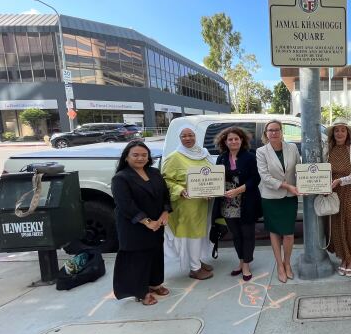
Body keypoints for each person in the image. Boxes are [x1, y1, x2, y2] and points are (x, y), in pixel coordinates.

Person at [111, 140, 171, 306]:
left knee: (156, 254)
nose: (140, 158)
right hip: (134, 226)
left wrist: (166, 212)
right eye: (135, 155)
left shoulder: (154, 172)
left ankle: (154, 283)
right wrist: (146, 221)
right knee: (138, 260)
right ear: (126, 158)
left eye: (144, 155)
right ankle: (141, 292)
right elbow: (125, 204)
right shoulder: (121, 178)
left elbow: (165, 195)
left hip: (157, 224)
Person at [162, 126, 215, 280]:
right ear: (180, 138)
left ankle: (197, 260)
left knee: (201, 233)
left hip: (205, 202)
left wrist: (212, 189)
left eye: (190, 135)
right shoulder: (174, 157)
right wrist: (180, 190)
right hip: (187, 203)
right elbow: (166, 180)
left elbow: (212, 175)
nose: (188, 138)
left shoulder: (203, 154)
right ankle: (194, 268)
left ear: (195, 136)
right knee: (192, 234)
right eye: (184, 136)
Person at [212, 127, 261, 281]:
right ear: (225, 142)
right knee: (236, 235)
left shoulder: (250, 157)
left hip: (246, 202)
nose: (233, 141)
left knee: (247, 235)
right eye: (230, 139)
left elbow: (256, 179)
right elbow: (215, 180)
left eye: (236, 139)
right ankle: (240, 262)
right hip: (227, 204)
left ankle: (246, 265)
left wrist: (238, 190)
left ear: (242, 140)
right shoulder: (221, 158)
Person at [256, 120, 301, 283]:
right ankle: (279, 266)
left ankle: (287, 263)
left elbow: (299, 169)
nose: (274, 133)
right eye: (270, 130)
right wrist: (287, 186)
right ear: (266, 134)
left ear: (282, 132)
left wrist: (306, 183)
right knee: (274, 233)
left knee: (288, 234)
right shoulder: (261, 152)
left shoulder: (293, 148)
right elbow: (265, 177)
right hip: (271, 197)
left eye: (276, 130)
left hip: (289, 198)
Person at [323, 118, 351, 277]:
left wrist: (341, 180)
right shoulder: (327, 148)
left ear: (347, 132)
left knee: (350, 224)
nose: (339, 133)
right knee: (335, 225)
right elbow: (323, 169)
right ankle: (343, 257)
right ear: (333, 133)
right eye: (336, 130)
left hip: (349, 191)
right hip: (333, 192)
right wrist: (325, 185)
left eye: (343, 130)